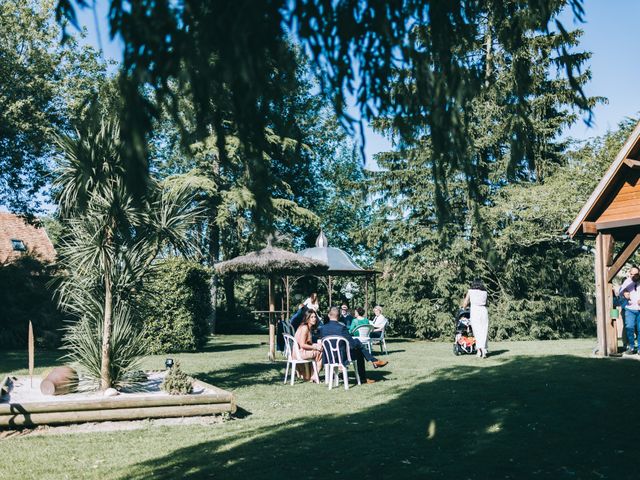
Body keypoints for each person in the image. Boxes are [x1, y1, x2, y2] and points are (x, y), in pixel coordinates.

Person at [320, 306, 388, 384]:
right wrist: (358, 342)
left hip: (329, 357)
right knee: (359, 348)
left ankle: (374, 362)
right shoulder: (342, 328)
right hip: (341, 357)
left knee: (358, 345)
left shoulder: (323, 328)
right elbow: (352, 344)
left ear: (329, 315)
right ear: (339, 316)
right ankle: (371, 365)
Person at [293, 310, 323, 383]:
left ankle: (312, 375)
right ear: (307, 318)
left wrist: (316, 345)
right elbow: (303, 345)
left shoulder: (305, 327)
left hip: (298, 352)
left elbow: (307, 344)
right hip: (299, 353)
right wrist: (315, 347)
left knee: (320, 347)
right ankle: (314, 376)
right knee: (322, 352)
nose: (314, 319)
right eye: (311, 317)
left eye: (315, 317)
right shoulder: (305, 328)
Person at [461, 280, 489, 358]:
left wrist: (463, 307)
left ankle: (480, 349)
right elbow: (486, 303)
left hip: (475, 310)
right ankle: (483, 349)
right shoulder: (485, 292)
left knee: (477, 331)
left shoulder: (470, 291)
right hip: (483, 310)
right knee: (484, 330)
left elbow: (465, 302)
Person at [620, 266, 640, 355]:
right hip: (630, 309)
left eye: (636, 274)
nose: (634, 276)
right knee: (629, 327)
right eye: (632, 274)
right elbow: (620, 292)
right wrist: (624, 293)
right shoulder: (627, 281)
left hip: (639, 310)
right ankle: (631, 347)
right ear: (629, 273)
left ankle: (639, 349)